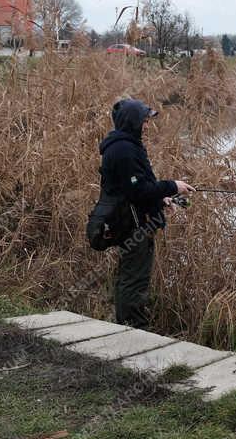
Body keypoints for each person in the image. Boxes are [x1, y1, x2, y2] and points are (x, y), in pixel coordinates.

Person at [98, 98, 195, 328]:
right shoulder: (124, 150)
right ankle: (134, 331)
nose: (147, 125)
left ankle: (129, 327)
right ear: (133, 122)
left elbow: (136, 190)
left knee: (131, 278)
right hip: (134, 227)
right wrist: (173, 186)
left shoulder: (126, 145)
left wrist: (161, 200)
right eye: (144, 121)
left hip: (135, 221)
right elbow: (138, 191)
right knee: (134, 281)